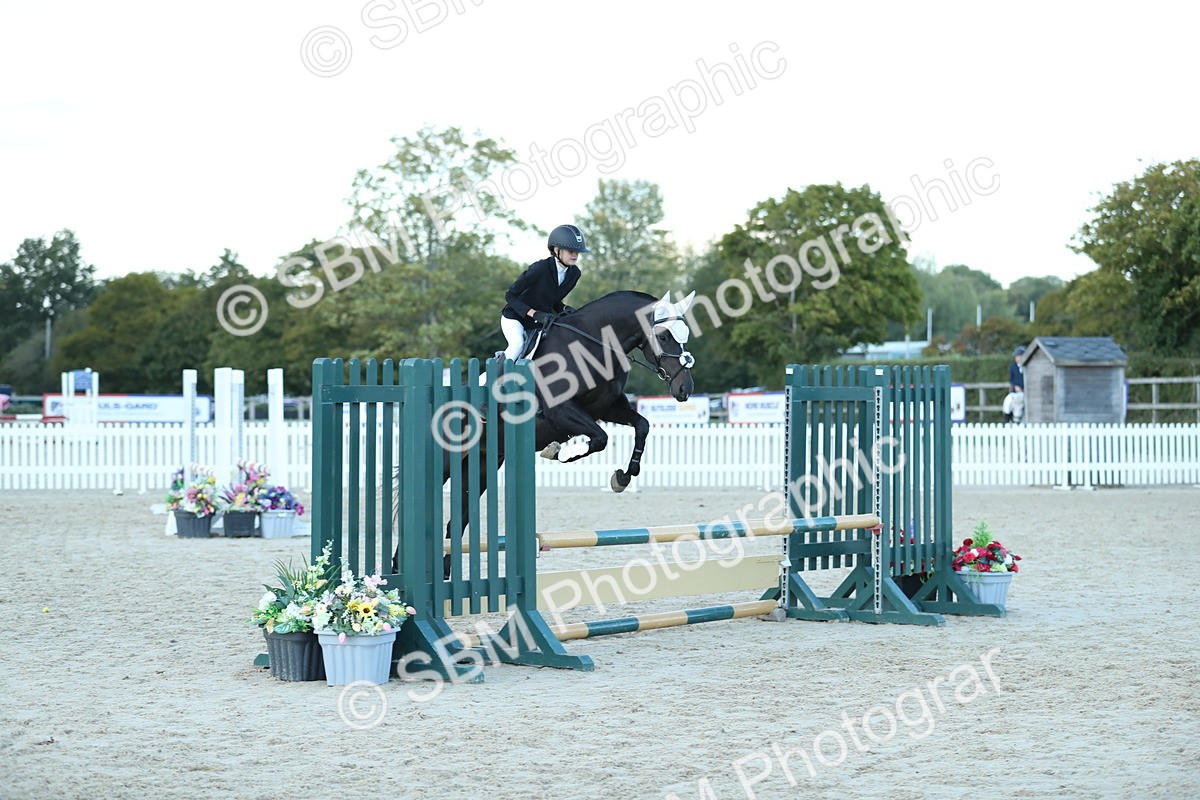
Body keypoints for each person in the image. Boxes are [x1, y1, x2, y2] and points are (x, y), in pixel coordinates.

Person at [499, 224, 589, 360]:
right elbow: (510, 296)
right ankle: (489, 380)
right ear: (557, 250)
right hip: (514, 317)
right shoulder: (539, 269)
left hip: (540, 322)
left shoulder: (574, 274)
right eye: (571, 251)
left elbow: (553, 300)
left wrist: (564, 309)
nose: (575, 255)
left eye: (577, 252)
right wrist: (534, 314)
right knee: (517, 345)